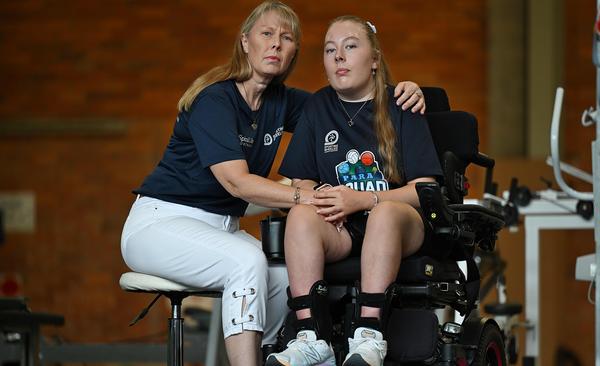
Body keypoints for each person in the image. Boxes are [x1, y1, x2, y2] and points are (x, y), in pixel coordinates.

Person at [120, 2, 426, 365]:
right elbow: (238, 184)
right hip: (161, 223)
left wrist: (406, 90)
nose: (276, 44)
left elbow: (350, 104)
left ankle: (285, 353)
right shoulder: (214, 99)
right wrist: (308, 197)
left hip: (221, 227)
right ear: (245, 42)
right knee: (248, 260)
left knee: (280, 273)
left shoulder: (287, 102)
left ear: (295, 51)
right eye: (267, 34)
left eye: (287, 38)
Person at [266, 16, 442, 366]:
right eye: (330, 50)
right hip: (342, 226)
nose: (339, 57)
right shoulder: (317, 107)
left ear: (374, 58)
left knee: (384, 214)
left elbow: (426, 187)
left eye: (350, 46)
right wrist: (325, 198)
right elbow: (300, 181)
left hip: (400, 223)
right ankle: (312, 339)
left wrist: (367, 199)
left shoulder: (403, 103)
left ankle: (369, 335)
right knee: (301, 213)